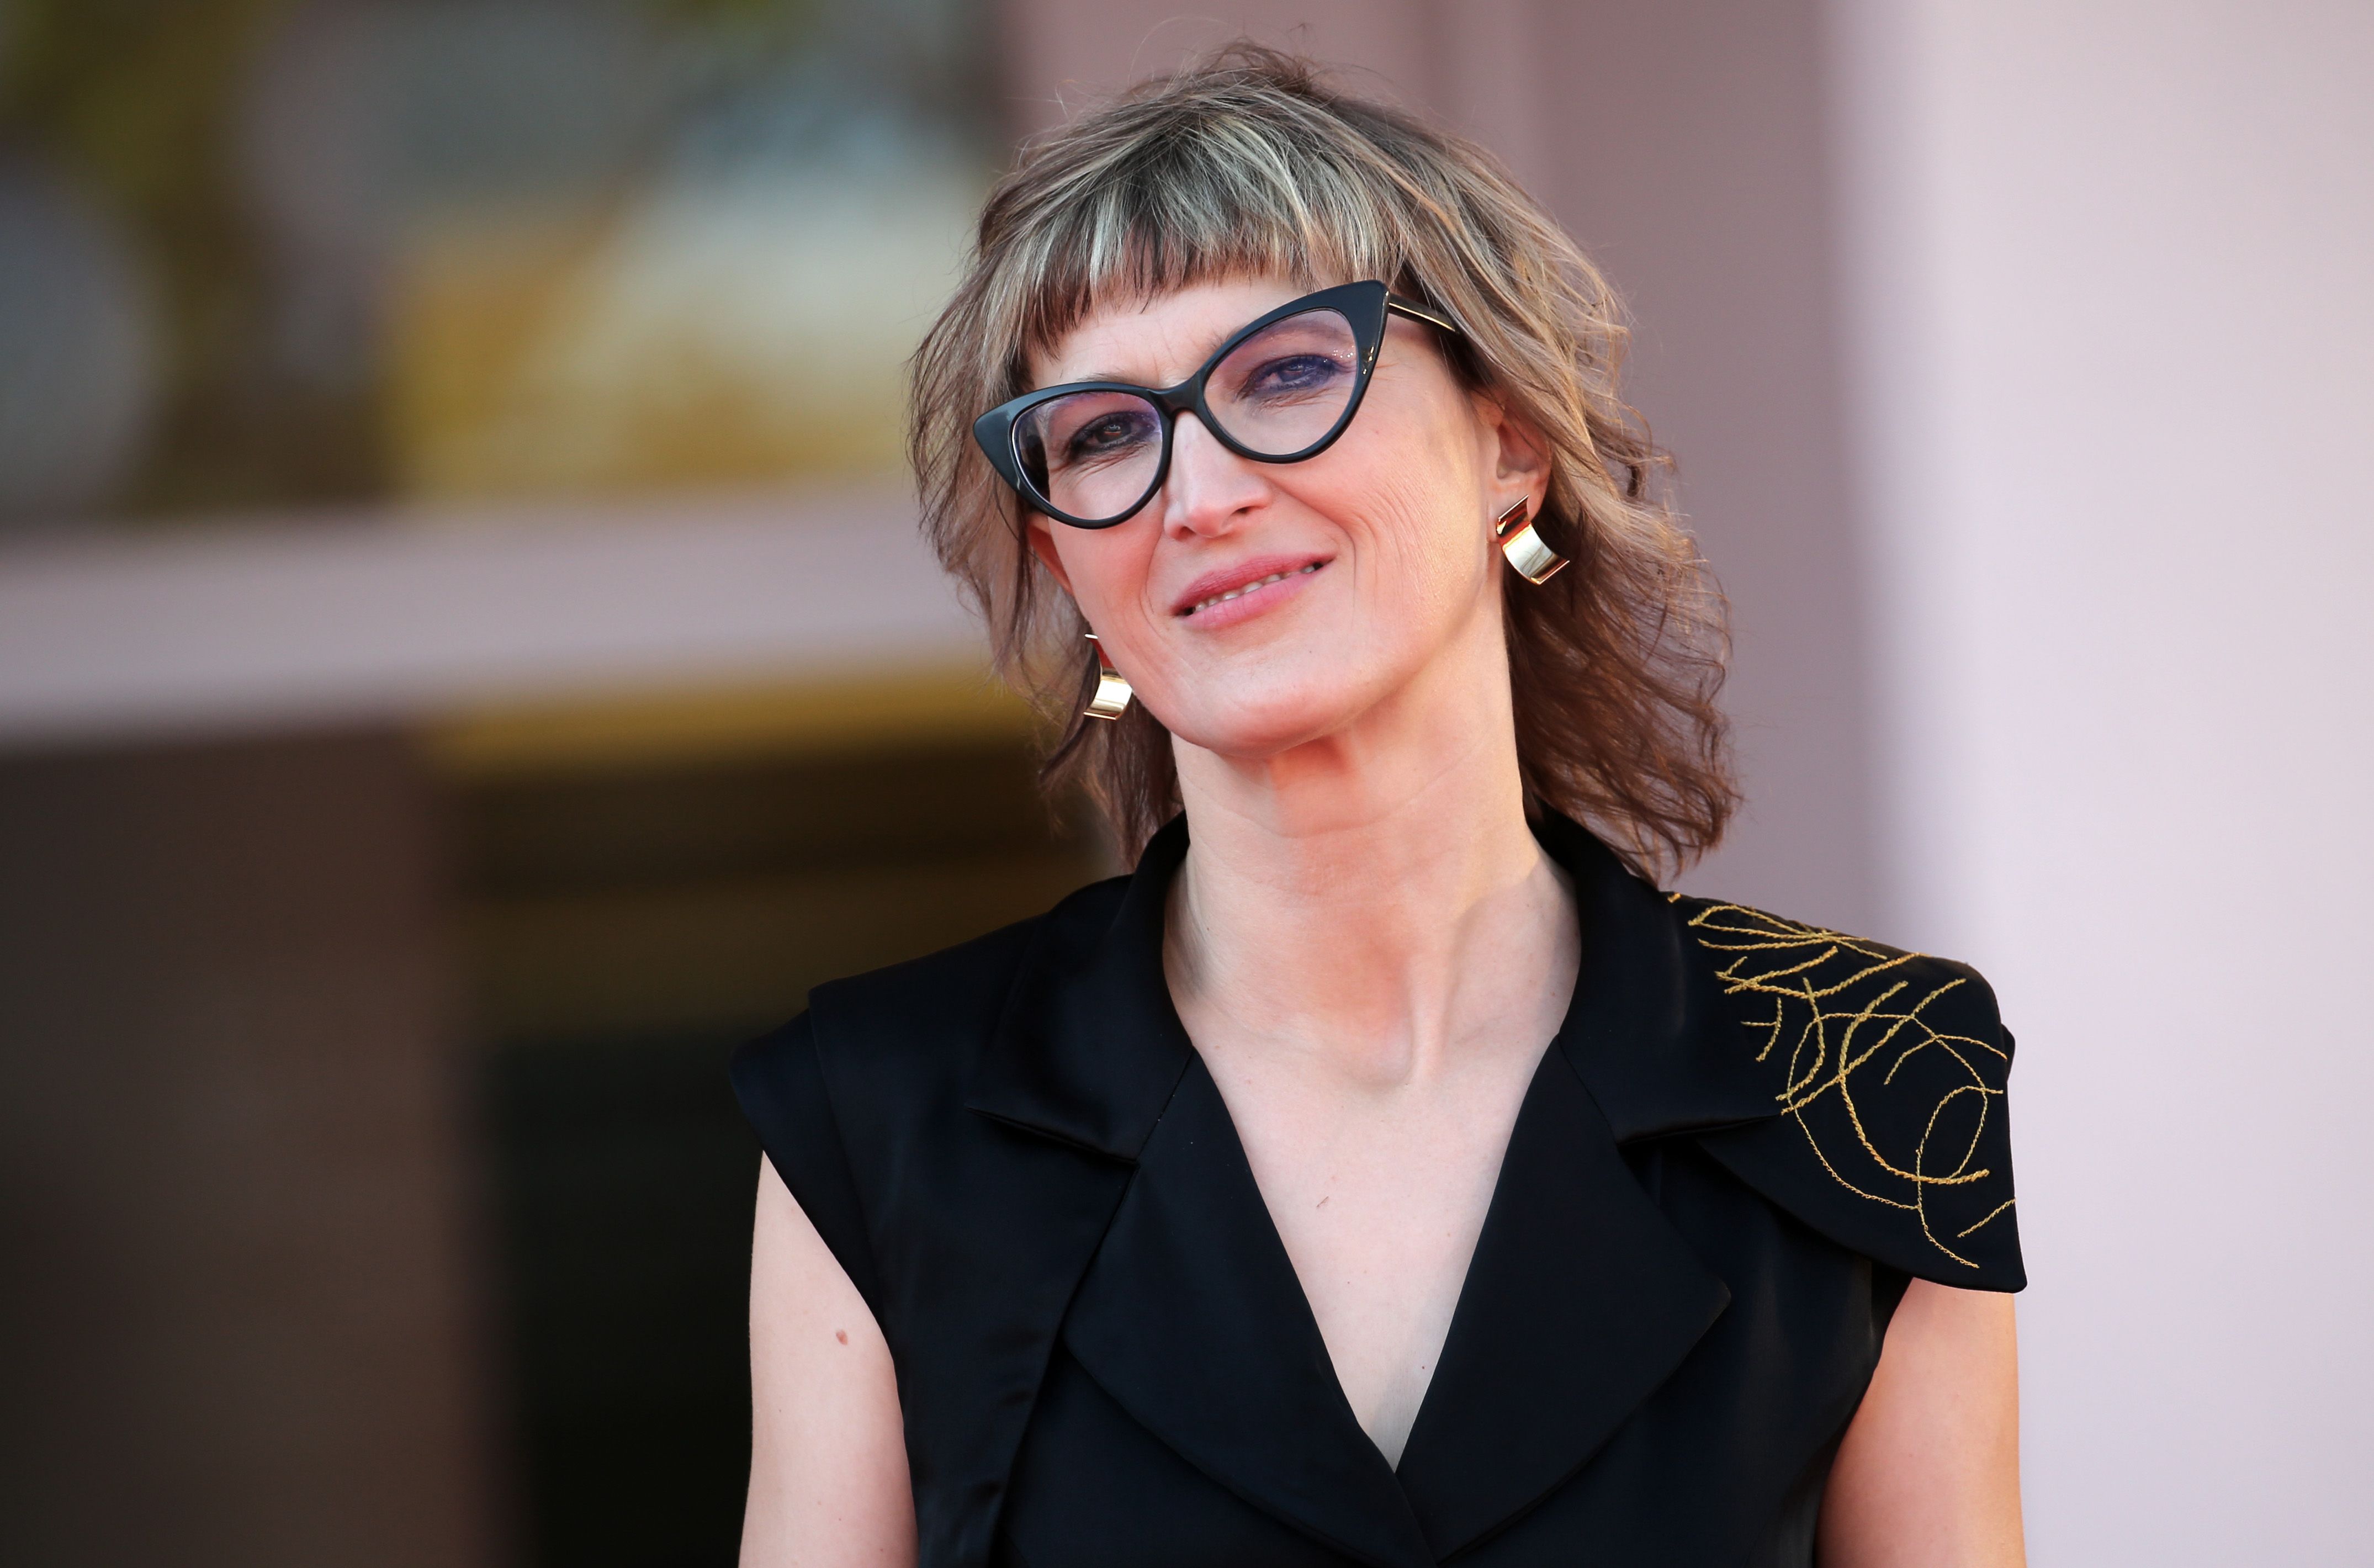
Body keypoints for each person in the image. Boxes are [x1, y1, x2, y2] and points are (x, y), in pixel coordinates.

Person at [732, 46, 2024, 1568]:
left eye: (1286, 372)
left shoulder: (1872, 1076)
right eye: (1102, 434)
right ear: (1062, 563)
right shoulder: (882, 1118)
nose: (1197, 495)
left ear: (1510, 441)